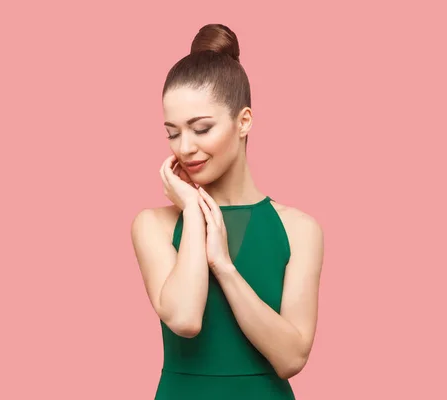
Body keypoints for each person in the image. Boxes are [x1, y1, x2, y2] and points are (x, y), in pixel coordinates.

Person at [131, 23, 324, 400]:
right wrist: (190, 209)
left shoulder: (299, 229)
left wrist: (224, 267)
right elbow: (185, 319)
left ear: (244, 121)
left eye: (201, 128)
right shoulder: (153, 224)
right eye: (172, 133)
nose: (185, 147)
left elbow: (290, 358)